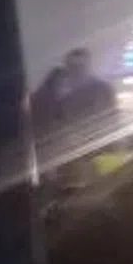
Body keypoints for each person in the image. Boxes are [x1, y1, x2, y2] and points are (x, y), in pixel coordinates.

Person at [31, 48, 117, 184]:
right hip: (61, 156)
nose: (77, 71)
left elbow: (109, 122)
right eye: (73, 67)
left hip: (86, 154)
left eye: (81, 67)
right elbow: (39, 124)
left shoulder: (101, 90)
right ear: (67, 67)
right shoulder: (48, 93)